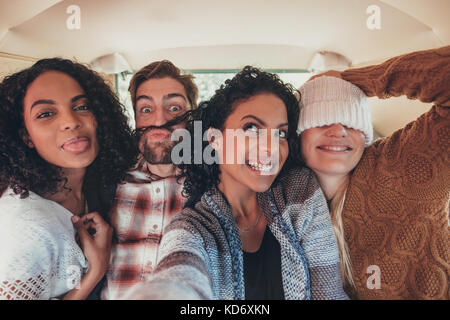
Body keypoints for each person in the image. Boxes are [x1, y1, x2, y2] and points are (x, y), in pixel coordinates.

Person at [128, 66, 349, 300]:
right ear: (214, 139)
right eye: (251, 128)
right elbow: (179, 272)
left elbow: (329, 291)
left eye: (280, 134)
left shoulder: (299, 191)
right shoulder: (193, 227)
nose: (271, 148)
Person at [296, 46, 449, 299]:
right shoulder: (280, 202)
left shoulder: (401, 163)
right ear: (298, 135)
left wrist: (358, 80)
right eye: (321, 120)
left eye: (350, 122)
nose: (338, 130)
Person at [0, 58, 137, 299]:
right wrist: (95, 270)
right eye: (46, 114)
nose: (71, 122)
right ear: (25, 137)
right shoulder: (27, 227)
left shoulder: (102, 182)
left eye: (82, 107)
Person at [101, 60, 199, 300]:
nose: (158, 120)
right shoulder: (106, 178)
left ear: (191, 117)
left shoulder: (214, 183)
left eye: (174, 108)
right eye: (146, 109)